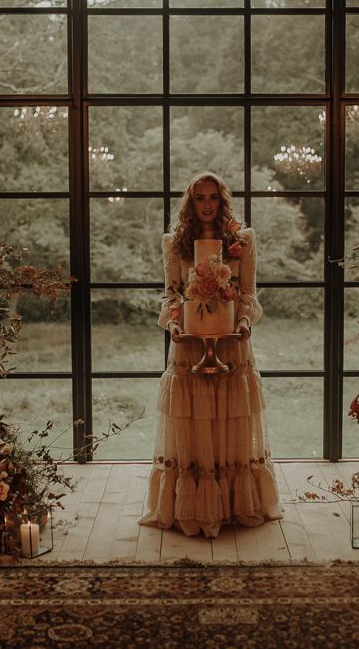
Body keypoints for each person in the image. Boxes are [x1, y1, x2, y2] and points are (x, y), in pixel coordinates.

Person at [138, 172, 282, 538]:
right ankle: (192, 506)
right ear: (190, 202)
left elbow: (248, 293)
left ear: (222, 201)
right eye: (199, 198)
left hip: (233, 343)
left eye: (213, 198)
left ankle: (235, 504)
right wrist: (173, 324)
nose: (206, 204)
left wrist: (245, 321)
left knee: (229, 420)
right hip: (188, 346)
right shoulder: (175, 243)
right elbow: (171, 294)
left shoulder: (242, 240)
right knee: (195, 419)